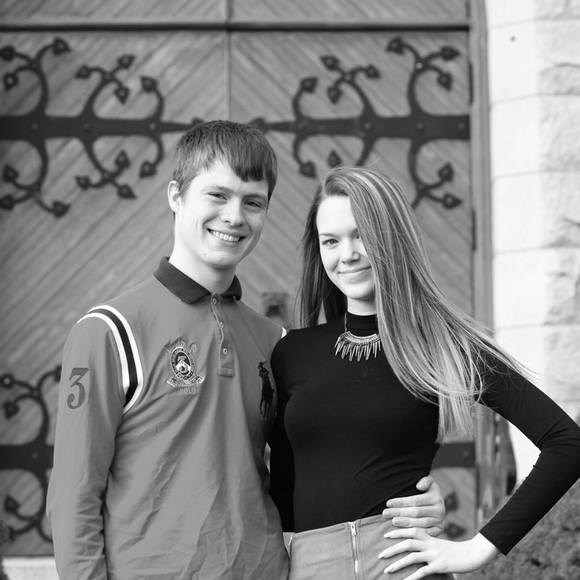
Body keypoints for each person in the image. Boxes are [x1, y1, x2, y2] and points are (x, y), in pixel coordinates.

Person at [46, 122, 445, 580]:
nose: (235, 216)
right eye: (217, 195)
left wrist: (413, 498)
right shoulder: (109, 332)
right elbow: (74, 496)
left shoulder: (276, 342)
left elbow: (325, 463)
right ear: (176, 196)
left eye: (252, 202)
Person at [269, 165, 580, 580]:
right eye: (331, 241)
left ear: (390, 238)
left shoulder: (442, 345)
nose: (348, 254)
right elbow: (279, 491)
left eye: (362, 235)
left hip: (404, 565)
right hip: (310, 566)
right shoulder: (292, 352)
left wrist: (477, 548)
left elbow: (566, 442)